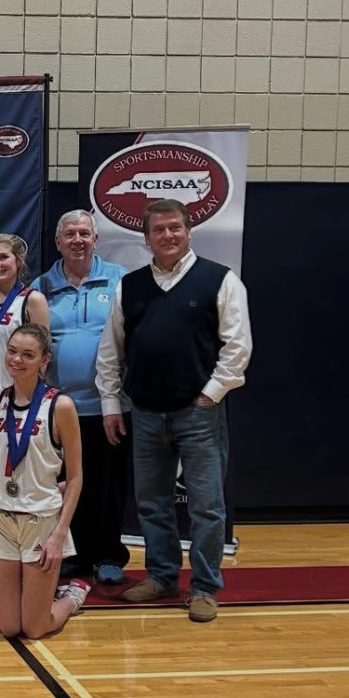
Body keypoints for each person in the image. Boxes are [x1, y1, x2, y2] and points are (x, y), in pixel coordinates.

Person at [96, 199, 253, 623]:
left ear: (189, 230)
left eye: (174, 228)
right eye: (158, 230)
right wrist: (111, 403)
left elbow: (238, 348)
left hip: (198, 413)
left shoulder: (220, 280)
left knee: (206, 506)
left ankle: (204, 587)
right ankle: (163, 576)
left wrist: (209, 395)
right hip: (145, 412)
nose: (167, 236)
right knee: (152, 504)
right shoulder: (129, 286)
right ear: (146, 238)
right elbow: (111, 352)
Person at [31, 210, 132, 585]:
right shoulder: (42, 286)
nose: (77, 240)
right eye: (69, 234)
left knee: (107, 485)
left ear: (96, 239)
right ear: (57, 242)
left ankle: (108, 554)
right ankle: (72, 554)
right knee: (64, 483)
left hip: (108, 406)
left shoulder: (120, 278)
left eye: (84, 233)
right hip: (60, 408)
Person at [0, 324, 90, 638]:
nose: (16, 359)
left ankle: (71, 597)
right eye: (12, 351)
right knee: (10, 627)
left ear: (45, 359)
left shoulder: (61, 406)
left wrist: (58, 535)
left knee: (35, 628)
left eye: (27, 355)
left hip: (39, 521)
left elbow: (76, 477)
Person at [0, 234, 49, 406]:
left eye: (3, 257)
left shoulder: (32, 300)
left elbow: (42, 357)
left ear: (19, 261)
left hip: (15, 398)